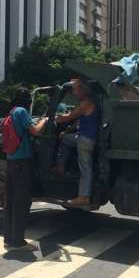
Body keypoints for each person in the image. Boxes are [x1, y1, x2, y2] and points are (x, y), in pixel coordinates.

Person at [2, 88, 47, 252]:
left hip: (12, 161)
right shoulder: (21, 111)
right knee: (22, 201)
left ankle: (9, 239)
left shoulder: (13, 111)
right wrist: (45, 120)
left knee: (12, 201)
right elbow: (35, 131)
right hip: (22, 162)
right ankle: (18, 242)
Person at [54, 79, 99, 207]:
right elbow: (78, 121)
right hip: (86, 137)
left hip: (85, 139)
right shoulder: (91, 103)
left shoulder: (86, 103)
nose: (73, 93)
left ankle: (83, 196)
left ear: (82, 90)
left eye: (75, 90)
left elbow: (70, 116)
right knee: (66, 138)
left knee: (85, 168)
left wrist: (51, 118)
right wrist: (67, 130)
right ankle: (62, 167)